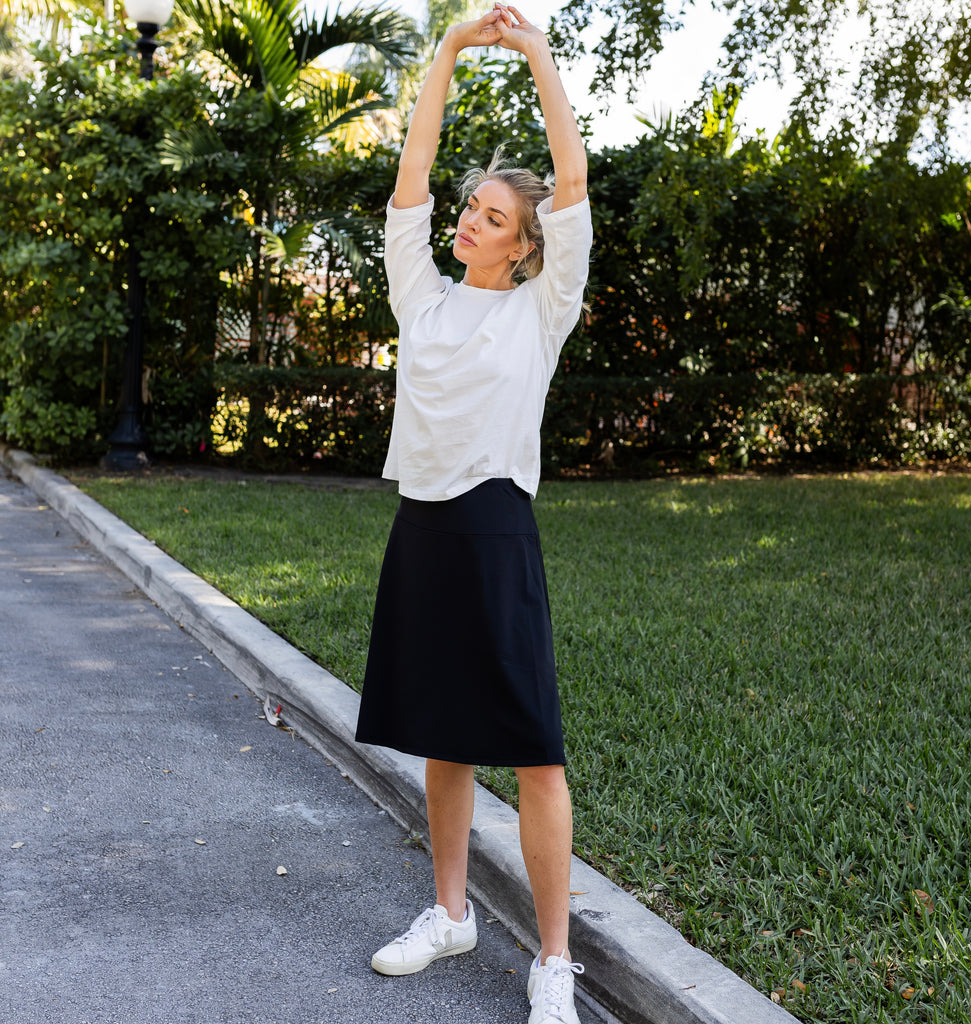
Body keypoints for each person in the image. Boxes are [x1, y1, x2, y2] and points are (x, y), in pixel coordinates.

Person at [354, 5, 591, 1023]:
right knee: (442, 736)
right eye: (471, 207)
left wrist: (537, 55)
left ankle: (552, 960)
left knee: (533, 747)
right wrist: (445, 51)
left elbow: (571, 181)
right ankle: (449, 912)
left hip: (496, 525)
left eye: (493, 217)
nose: (468, 220)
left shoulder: (541, 309)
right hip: (423, 524)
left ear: (527, 248)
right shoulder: (424, 292)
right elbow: (411, 172)